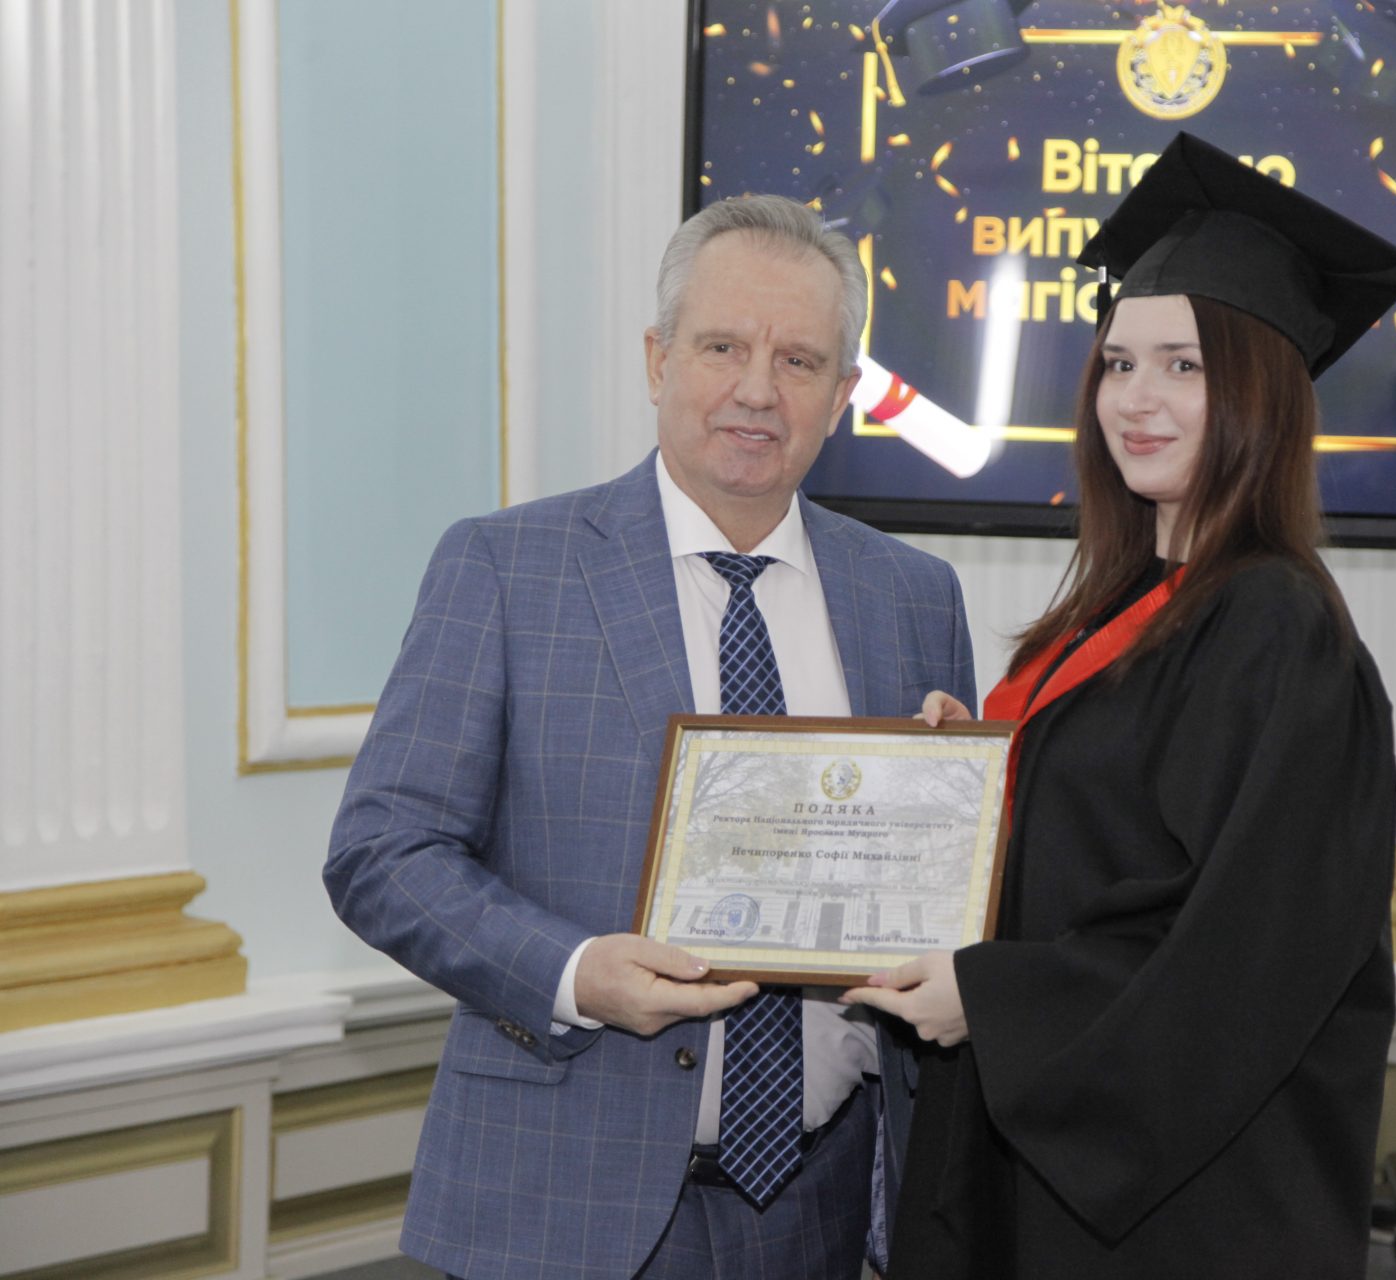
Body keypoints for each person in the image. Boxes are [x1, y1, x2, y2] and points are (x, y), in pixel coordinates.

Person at [325, 194, 975, 1280]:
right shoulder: (506, 568)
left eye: (800, 360)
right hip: (563, 1201)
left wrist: (955, 812)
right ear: (657, 358)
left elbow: (941, 911)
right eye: (722, 347)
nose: (758, 389)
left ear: (842, 396)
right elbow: (380, 853)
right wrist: (576, 972)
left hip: (823, 1205)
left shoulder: (912, 596)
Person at [842, 132, 1396, 1276]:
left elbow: (1239, 952)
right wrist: (974, 775)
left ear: (1259, 391)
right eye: (1116, 363)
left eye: (1183, 366)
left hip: (1186, 1214)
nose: (1136, 399)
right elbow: (1099, 841)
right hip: (1050, 1178)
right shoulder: (1116, 608)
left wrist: (996, 1000)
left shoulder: (1277, 630)